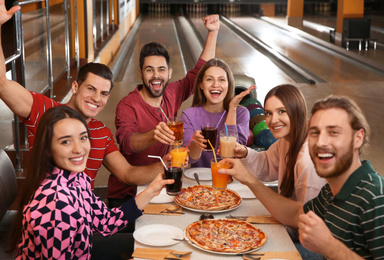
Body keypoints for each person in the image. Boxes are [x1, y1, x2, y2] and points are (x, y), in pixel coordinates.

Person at [0, 3, 165, 191]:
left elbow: (127, 174)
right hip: (50, 214)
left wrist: (165, 164)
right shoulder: (44, 110)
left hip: (86, 214)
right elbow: (2, 84)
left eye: (104, 94)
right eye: (91, 89)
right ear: (75, 86)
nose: (96, 98)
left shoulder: (102, 133)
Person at [221, 95, 384, 259]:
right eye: (314, 133)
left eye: (334, 132)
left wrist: (329, 246)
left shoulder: (376, 197)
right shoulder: (331, 191)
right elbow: (296, 215)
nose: (321, 142)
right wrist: (249, 180)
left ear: (358, 138)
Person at [7, 106, 173, 259]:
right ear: (48, 149)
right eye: (66, 141)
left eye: (83, 138)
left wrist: (152, 190)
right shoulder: (56, 206)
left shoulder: (75, 178)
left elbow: (106, 222)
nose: (78, 149)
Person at [110, 14, 220, 207]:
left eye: (161, 69)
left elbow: (199, 72)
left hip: (161, 184)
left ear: (169, 72)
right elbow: (127, 143)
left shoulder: (172, 93)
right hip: (128, 194)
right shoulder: (127, 105)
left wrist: (213, 32)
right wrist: (154, 135)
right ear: (141, 73)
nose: (156, 76)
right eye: (149, 70)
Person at [180, 58, 252, 167]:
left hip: (231, 179)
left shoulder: (241, 113)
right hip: (199, 180)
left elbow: (233, 155)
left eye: (221, 80)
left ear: (229, 84)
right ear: (201, 84)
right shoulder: (188, 115)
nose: (215, 84)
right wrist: (196, 144)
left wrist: (232, 109)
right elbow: (190, 159)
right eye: (209, 79)